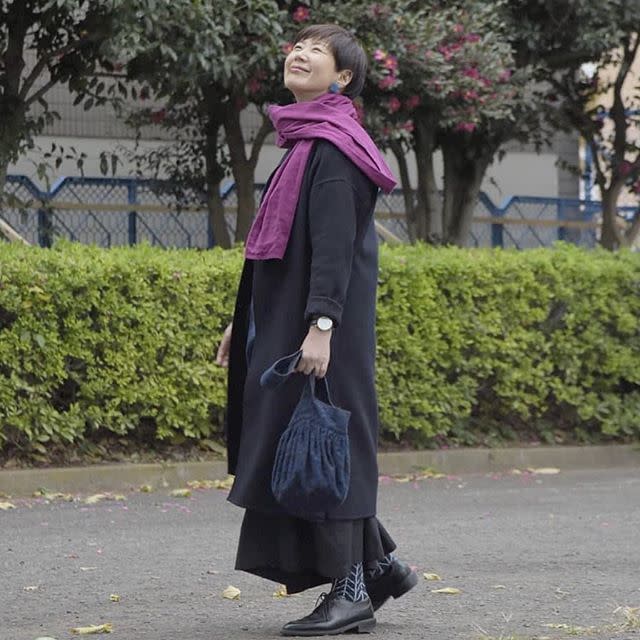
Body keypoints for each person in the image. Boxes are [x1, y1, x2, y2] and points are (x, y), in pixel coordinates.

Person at [216, 23, 417, 636]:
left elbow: (333, 249)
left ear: (343, 77)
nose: (299, 54)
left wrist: (322, 325)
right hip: (293, 322)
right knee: (303, 442)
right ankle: (379, 567)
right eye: (297, 47)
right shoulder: (306, 141)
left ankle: (352, 592)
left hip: (325, 328)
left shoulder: (333, 148)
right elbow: (273, 249)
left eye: (317, 52)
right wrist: (242, 321)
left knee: (330, 446)